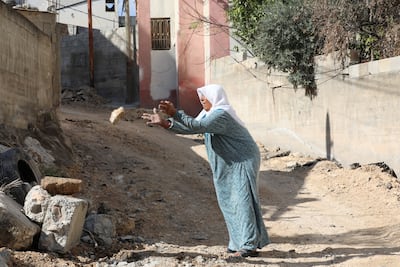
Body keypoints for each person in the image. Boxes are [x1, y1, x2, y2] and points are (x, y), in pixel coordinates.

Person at [141, 84, 270, 257]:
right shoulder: (208, 115)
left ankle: (248, 245)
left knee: (241, 199)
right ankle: (237, 242)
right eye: (200, 97)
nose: (202, 100)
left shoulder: (221, 114)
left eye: (205, 97)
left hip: (242, 160)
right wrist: (165, 123)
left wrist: (175, 113)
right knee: (227, 200)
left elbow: (196, 127)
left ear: (215, 97)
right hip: (227, 162)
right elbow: (190, 127)